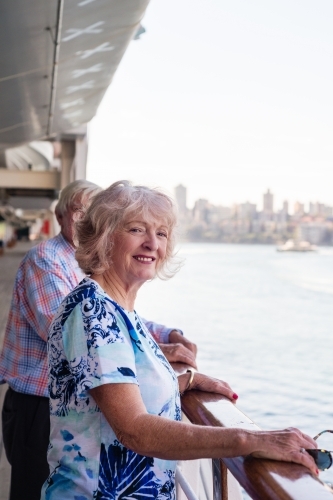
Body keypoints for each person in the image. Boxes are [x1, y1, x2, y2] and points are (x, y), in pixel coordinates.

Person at [41, 180, 318, 500]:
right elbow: (134, 429)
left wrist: (186, 380)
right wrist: (252, 440)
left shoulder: (119, 309)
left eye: (161, 233)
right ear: (103, 237)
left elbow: (119, 384)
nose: (152, 243)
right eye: (136, 229)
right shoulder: (93, 310)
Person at [0, 180, 196, 500]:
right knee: (28, 488)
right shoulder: (46, 260)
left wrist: (167, 336)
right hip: (34, 403)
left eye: (160, 233)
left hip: (81, 402)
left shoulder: (97, 280)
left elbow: (120, 325)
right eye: (79, 211)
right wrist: (246, 441)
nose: (82, 219)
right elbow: (74, 333)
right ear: (61, 215)